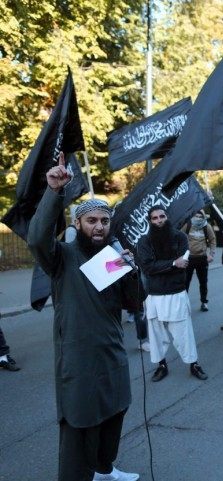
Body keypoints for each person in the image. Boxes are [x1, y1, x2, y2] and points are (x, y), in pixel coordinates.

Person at [27, 154, 141, 481]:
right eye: (91, 221)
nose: (99, 226)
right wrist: (54, 192)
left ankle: (105, 471)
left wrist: (131, 271)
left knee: (114, 415)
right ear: (78, 224)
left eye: (104, 221)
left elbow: (135, 303)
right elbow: (36, 238)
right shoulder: (62, 257)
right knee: (79, 428)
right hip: (79, 364)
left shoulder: (111, 259)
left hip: (112, 358)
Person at [137, 206, 208, 382]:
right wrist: (173, 264)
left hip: (176, 291)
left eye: (162, 216)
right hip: (154, 294)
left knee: (184, 333)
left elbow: (183, 263)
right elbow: (147, 268)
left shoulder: (180, 237)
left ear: (167, 217)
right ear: (150, 221)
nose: (159, 220)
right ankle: (161, 365)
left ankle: (194, 364)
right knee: (156, 334)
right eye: (155, 218)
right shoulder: (144, 241)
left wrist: (165, 265)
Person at [181, 209, 216, 312]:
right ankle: (184, 303)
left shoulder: (206, 226)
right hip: (188, 258)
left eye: (200, 217)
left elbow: (213, 240)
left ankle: (204, 302)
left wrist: (211, 254)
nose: (198, 218)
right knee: (185, 282)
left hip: (202, 258)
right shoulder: (187, 225)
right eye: (196, 216)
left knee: (203, 282)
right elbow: (179, 237)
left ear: (203, 217)